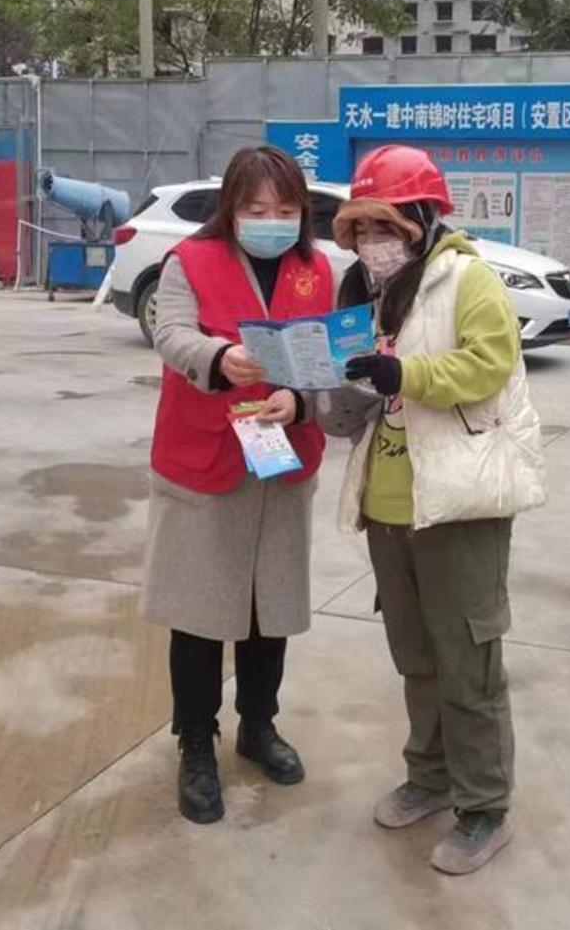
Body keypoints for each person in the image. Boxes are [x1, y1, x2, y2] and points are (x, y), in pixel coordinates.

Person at [329, 145, 547, 875]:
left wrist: (406, 372)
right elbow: (361, 389)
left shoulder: (466, 278)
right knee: (417, 658)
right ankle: (430, 776)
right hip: (390, 503)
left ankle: (484, 806)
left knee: (468, 662)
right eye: (360, 228)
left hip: (459, 503)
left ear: (423, 219)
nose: (371, 241)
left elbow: (490, 363)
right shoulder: (363, 292)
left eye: (385, 225)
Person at [141, 145, 332, 825]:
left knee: (267, 607)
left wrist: (301, 402)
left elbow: (328, 361)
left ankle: (258, 724)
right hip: (206, 458)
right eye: (256, 209)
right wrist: (222, 356)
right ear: (231, 208)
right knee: (200, 612)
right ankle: (196, 741)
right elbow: (170, 334)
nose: (271, 221)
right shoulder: (190, 261)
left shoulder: (317, 270)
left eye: (285, 209)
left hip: (281, 458)